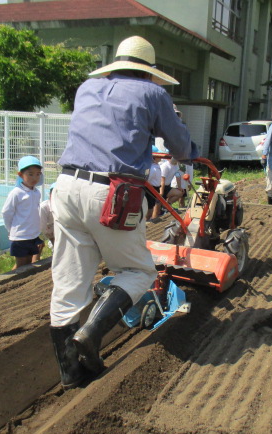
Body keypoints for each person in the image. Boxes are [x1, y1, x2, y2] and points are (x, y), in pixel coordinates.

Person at [49, 35, 198, 389]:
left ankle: (71, 375)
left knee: (69, 284)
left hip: (66, 187)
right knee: (137, 271)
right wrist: (191, 152)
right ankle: (91, 333)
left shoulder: (87, 88)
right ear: (148, 72)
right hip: (111, 193)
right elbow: (178, 145)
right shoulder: (153, 94)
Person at [1, 156, 44, 269]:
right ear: (20, 175)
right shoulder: (16, 193)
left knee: (29, 264)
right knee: (20, 265)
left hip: (32, 235)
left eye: (38, 174)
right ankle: (10, 283)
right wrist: (12, 229)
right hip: (20, 237)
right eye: (30, 174)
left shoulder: (36, 193)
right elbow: (6, 212)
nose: (34, 177)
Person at [39, 182, 55, 249]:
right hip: (43, 232)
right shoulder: (44, 207)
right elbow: (41, 228)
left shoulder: (65, 206)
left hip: (57, 233)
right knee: (39, 245)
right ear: (49, 195)